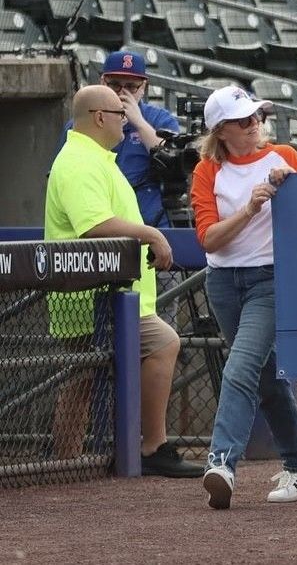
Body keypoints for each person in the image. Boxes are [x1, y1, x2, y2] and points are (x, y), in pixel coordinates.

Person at [45, 85, 201, 478]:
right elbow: (94, 225)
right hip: (88, 295)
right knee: (143, 351)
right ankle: (144, 447)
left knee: (84, 377)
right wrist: (152, 234)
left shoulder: (95, 157)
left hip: (104, 295)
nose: (125, 119)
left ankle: (73, 461)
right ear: (100, 117)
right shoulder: (80, 160)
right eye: (119, 113)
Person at [192, 86, 297, 510]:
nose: (255, 124)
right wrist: (248, 209)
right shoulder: (207, 170)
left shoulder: (284, 156)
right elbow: (209, 240)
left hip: (271, 279)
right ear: (221, 131)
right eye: (244, 120)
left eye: (257, 116)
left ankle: (222, 462)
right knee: (265, 377)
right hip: (223, 282)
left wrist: (293, 185)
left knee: (241, 367)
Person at [58, 51, 180, 228]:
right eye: (115, 84)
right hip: (97, 216)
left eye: (131, 86)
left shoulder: (159, 119)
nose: (122, 92)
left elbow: (174, 163)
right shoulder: (83, 122)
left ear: (143, 87)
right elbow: (62, 176)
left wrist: (139, 123)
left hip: (150, 218)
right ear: (102, 82)